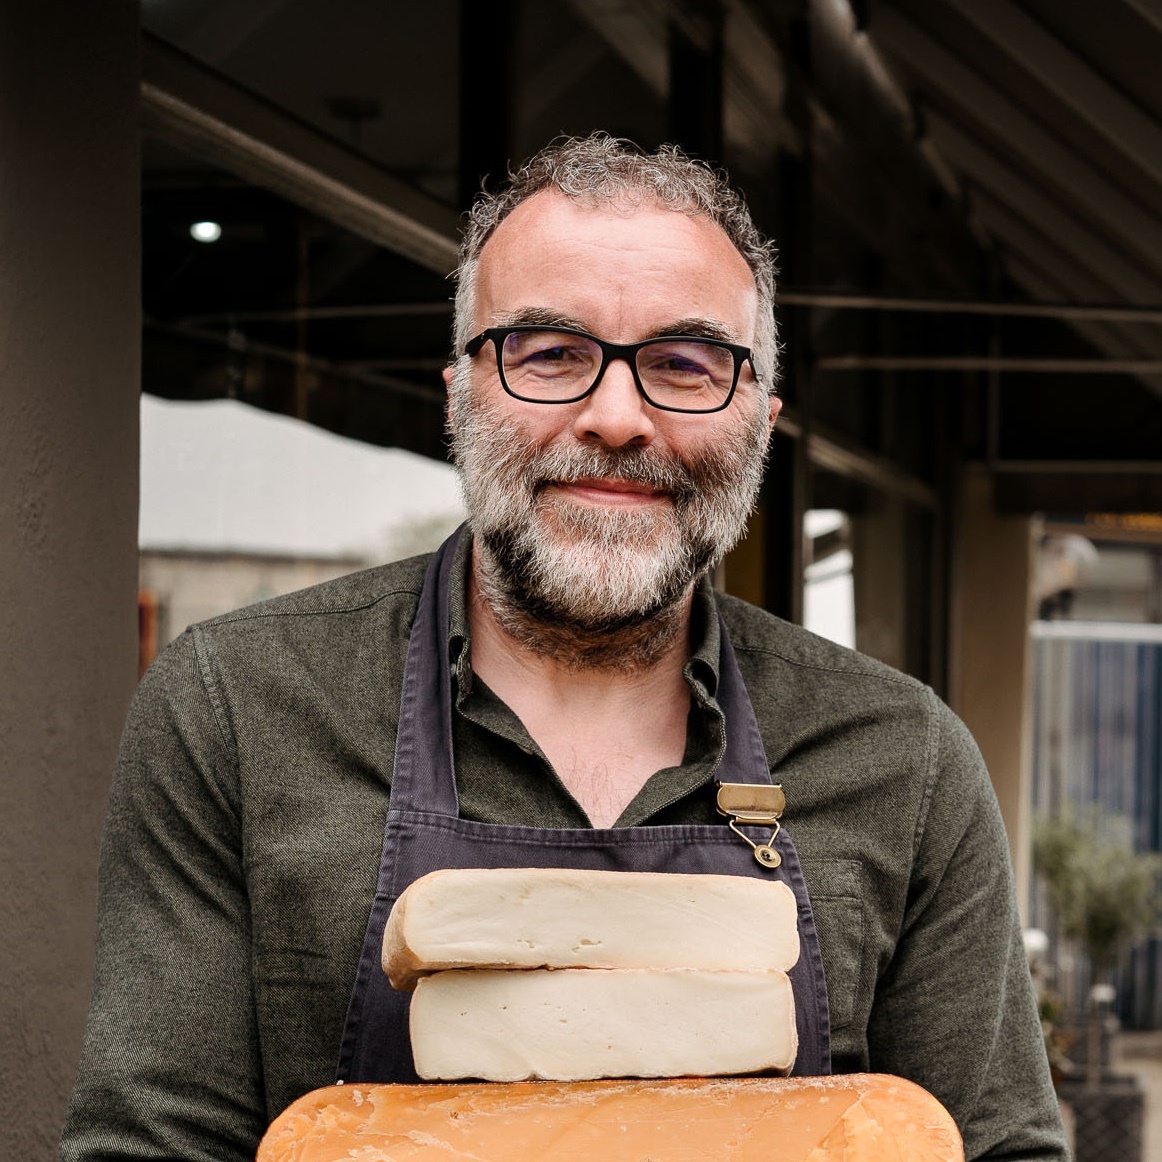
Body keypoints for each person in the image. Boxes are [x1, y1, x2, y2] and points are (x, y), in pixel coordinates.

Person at [61, 134, 1067, 1161]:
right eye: (549, 353)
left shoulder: (904, 758)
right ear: (458, 394)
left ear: (761, 423)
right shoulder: (238, 709)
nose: (616, 418)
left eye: (684, 365)